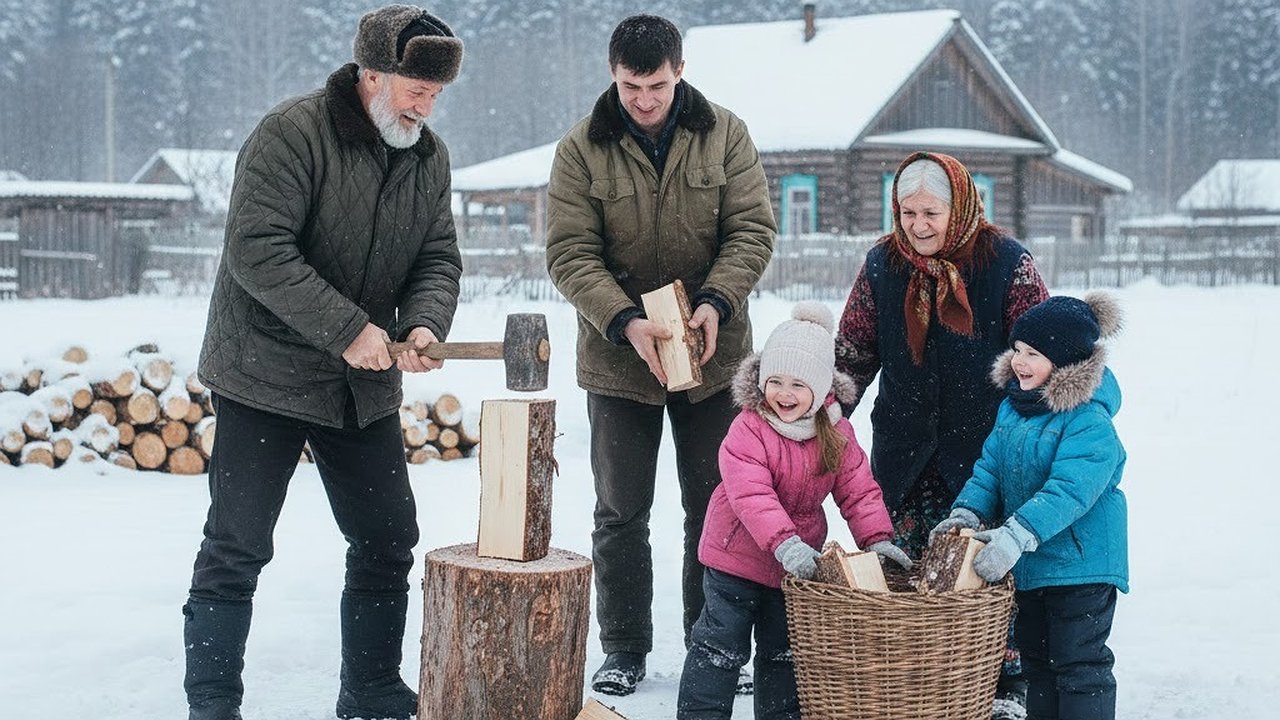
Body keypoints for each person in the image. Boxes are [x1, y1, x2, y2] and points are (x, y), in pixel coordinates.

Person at [183, 6, 464, 720]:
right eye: (414, 88)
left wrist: (426, 321)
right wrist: (346, 329)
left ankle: (369, 689)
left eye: (436, 93)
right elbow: (258, 249)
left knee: (387, 537)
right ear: (371, 73)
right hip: (264, 375)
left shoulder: (428, 157)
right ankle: (213, 701)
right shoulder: (293, 132)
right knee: (237, 544)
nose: (426, 105)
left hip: (359, 386)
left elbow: (437, 256)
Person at [546, 14, 776, 696]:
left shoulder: (725, 133)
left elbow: (753, 229)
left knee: (715, 506)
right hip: (619, 359)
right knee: (621, 511)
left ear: (680, 70)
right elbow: (569, 252)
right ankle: (622, 647)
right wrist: (622, 318)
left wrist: (715, 301)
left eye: (655, 85)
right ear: (611, 75)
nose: (642, 100)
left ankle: (714, 646)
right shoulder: (581, 147)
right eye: (628, 85)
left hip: (714, 352)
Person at [833, 151, 1049, 713]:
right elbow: (854, 352)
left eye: (931, 212)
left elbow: (1041, 356)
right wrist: (821, 419)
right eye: (907, 213)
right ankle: (914, 681)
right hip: (905, 450)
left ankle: (1004, 684)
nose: (918, 226)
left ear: (959, 206)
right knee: (905, 577)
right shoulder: (882, 264)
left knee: (984, 573)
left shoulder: (1006, 264)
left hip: (986, 455)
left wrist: (1039, 426)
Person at [677, 302, 911, 719]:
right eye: (776, 381)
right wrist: (784, 542)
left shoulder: (836, 432)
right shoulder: (749, 428)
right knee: (719, 646)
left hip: (793, 567)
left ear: (821, 390)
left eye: (798, 385)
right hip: (736, 557)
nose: (784, 394)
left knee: (784, 653)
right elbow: (752, 496)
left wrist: (877, 539)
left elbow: (858, 489)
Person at [931, 292, 1128, 720]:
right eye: (1017, 349)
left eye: (1033, 354)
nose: (1020, 361)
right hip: (1032, 567)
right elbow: (990, 470)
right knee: (1039, 665)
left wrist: (1017, 533)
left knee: (1079, 667)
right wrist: (967, 512)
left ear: (1064, 362)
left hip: (1081, 568)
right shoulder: (1014, 410)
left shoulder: (1088, 420)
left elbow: (1069, 491)